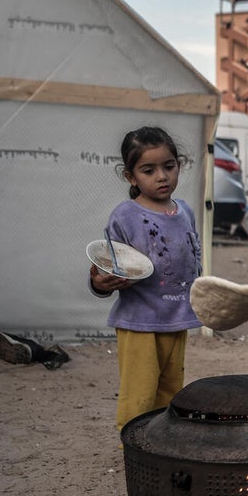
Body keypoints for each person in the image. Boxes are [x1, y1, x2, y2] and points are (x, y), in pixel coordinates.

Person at [89, 126, 202, 430]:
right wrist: (100, 283)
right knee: (139, 393)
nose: (162, 176)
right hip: (139, 321)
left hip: (177, 317)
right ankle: (134, 443)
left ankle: (160, 442)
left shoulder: (186, 212)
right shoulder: (124, 216)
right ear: (131, 176)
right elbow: (107, 266)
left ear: (180, 165)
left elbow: (192, 258)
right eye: (148, 170)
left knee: (170, 389)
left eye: (169, 166)